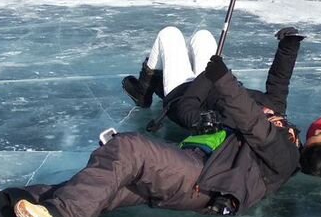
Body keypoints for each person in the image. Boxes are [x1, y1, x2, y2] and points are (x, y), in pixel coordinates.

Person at [0, 52, 302, 217]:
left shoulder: (283, 155)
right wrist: (288, 45)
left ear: (289, 133)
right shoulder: (260, 131)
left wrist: (224, 79)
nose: (267, 114)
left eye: (273, 117)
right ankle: (1, 215)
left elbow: (252, 118)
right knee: (99, 188)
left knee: (129, 148)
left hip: (205, 182)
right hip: (191, 168)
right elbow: (277, 86)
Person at [123, 26, 304, 136]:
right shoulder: (275, 107)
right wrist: (290, 43)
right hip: (213, 78)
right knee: (202, 36)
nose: (269, 110)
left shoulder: (231, 124)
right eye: (279, 119)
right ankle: (154, 82)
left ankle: (143, 91)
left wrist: (212, 76)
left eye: (269, 119)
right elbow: (280, 79)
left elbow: (187, 110)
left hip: (182, 92)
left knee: (169, 35)